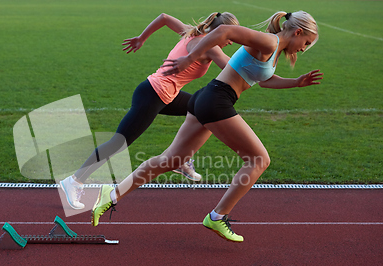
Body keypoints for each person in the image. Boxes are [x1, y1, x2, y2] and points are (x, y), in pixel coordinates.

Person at [91, 11, 323, 243]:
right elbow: (224, 31)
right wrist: (190, 58)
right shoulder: (270, 41)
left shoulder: (272, 50)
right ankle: (217, 216)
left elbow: (263, 81)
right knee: (259, 160)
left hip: (207, 98)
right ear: (298, 32)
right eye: (306, 43)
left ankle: (111, 194)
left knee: (170, 160)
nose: (304, 48)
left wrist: (296, 82)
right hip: (217, 100)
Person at [60, 12, 239, 209]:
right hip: (153, 95)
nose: (231, 42)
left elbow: (164, 18)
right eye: (231, 37)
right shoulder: (210, 47)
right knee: (118, 143)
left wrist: (141, 38)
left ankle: (181, 159)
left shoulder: (192, 33)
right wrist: (260, 56)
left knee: (201, 110)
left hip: (165, 94)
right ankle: (74, 181)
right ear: (221, 31)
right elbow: (234, 69)